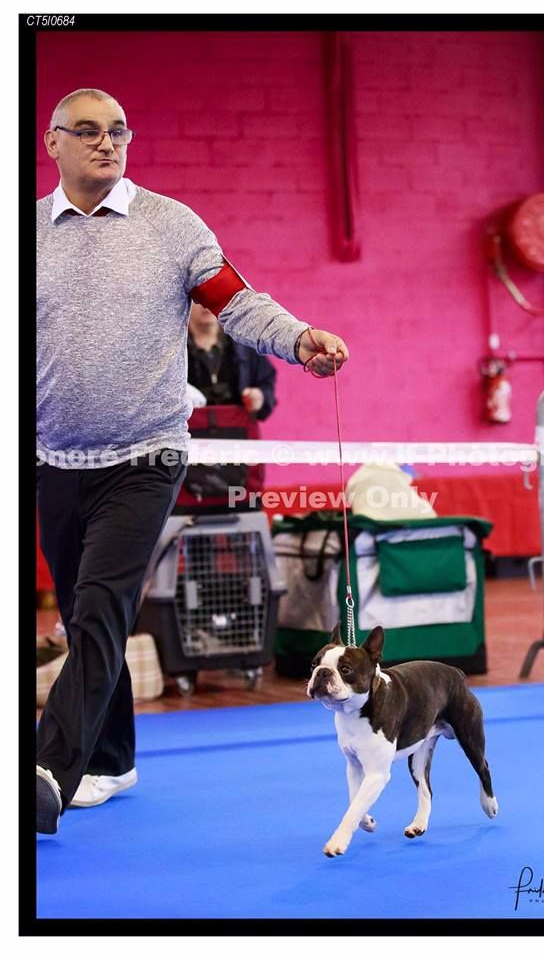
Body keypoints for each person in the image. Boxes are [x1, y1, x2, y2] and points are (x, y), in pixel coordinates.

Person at [36, 88, 349, 835]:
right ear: (52, 143)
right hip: (53, 458)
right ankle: (111, 759)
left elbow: (236, 302)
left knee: (99, 605)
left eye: (119, 131)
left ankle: (43, 772)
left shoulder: (171, 225)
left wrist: (298, 337)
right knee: (84, 613)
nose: (108, 143)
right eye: (89, 131)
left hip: (147, 452)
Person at [187, 301, 277, 419]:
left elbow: (266, 383)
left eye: (210, 297)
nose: (205, 304)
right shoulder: (173, 350)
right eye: (197, 299)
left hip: (237, 426)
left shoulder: (243, 343)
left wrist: (260, 396)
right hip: (190, 428)